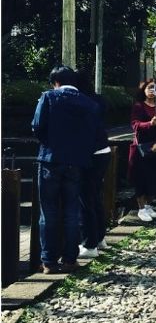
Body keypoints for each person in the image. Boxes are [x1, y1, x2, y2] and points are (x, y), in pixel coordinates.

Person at [31, 65, 99, 274]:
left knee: (48, 211)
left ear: (56, 82)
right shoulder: (89, 103)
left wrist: (50, 144)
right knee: (72, 210)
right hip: (76, 162)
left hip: (51, 159)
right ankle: (70, 259)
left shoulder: (49, 97)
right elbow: (93, 134)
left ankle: (49, 261)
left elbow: (37, 126)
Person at [76, 69, 111, 258]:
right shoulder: (99, 100)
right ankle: (99, 237)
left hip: (89, 153)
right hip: (103, 150)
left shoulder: (79, 101)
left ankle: (89, 243)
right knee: (94, 196)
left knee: (86, 199)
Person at [128, 79, 156, 222]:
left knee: (155, 178)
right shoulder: (138, 106)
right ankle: (141, 208)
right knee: (140, 178)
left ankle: (147, 205)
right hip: (141, 148)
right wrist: (149, 124)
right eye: (149, 88)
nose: (152, 91)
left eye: (154, 88)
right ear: (144, 90)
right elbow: (135, 124)